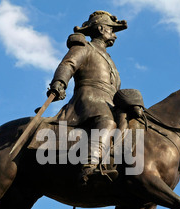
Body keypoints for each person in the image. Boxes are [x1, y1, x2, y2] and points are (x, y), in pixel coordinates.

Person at [47, 10, 127, 184]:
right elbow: (68, 64)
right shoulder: (85, 47)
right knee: (106, 121)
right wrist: (60, 82)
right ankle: (89, 166)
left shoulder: (109, 59)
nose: (114, 35)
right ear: (100, 28)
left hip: (109, 101)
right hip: (88, 99)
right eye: (111, 30)